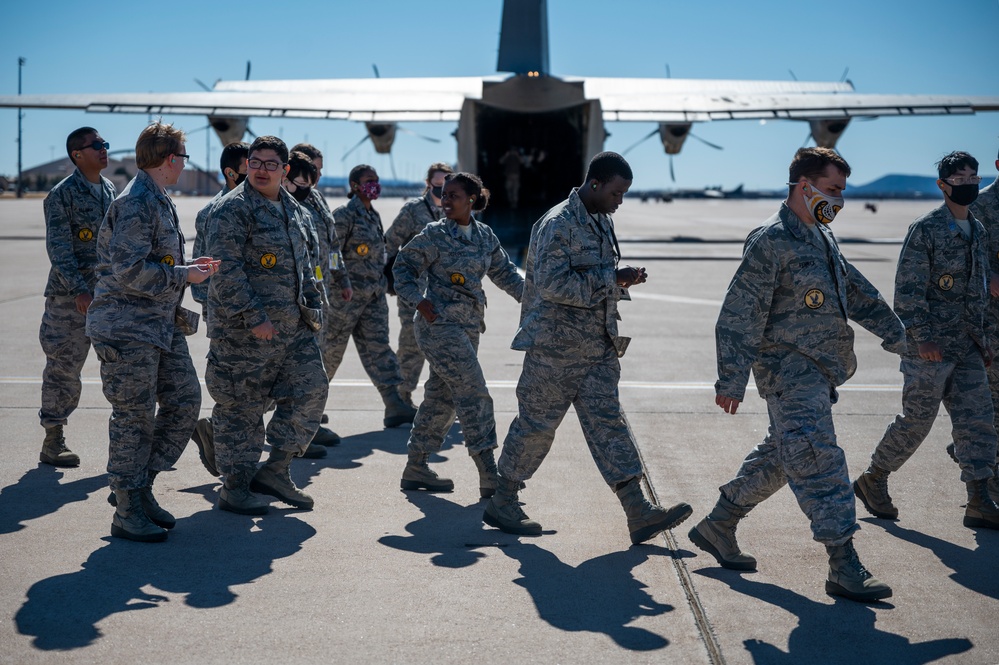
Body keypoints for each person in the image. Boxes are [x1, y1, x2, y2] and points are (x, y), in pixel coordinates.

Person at [691, 147, 904, 603]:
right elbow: (738, 314)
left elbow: (853, 288)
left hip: (819, 368)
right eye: (832, 189)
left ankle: (719, 524)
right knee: (818, 456)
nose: (840, 200)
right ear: (803, 185)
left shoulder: (821, 236)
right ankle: (843, 561)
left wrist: (896, 333)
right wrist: (731, 379)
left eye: (842, 191)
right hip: (786, 369)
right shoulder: (771, 240)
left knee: (787, 453)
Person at [483, 151, 691, 546]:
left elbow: (596, 281)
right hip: (554, 351)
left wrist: (619, 281)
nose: (620, 201)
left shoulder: (600, 219)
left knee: (609, 425)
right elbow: (552, 285)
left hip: (596, 347)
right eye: (617, 192)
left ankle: (638, 510)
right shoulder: (558, 223)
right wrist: (611, 278)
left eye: (624, 194)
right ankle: (503, 499)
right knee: (536, 429)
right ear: (595, 183)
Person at [854, 151, 999, 530]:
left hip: (966, 345)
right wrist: (921, 337)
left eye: (973, 179)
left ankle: (979, 498)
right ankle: (874, 478)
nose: (967, 185)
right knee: (916, 423)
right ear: (942, 185)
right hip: (930, 349)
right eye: (959, 179)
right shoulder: (927, 229)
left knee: (978, 421)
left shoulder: (978, 231)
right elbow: (908, 291)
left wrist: (983, 342)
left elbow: (980, 291)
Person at [86, 121, 214, 542]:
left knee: (184, 402)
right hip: (126, 330)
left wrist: (187, 271)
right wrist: (185, 275)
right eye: (183, 157)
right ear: (170, 160)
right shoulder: (138, 201)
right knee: (134, 419)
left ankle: (139, 487)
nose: (183, 165)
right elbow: (129, 272)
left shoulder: (157, 197)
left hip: (158, 326)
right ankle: (126, 507)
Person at [206, 136, 329, 515]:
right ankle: (235, 485)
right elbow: (225, 271)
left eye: (270, 164)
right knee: (241, 407)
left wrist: (314, 309)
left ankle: (276, 468)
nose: (261, 170)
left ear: (285, 170)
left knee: (311, 389)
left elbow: (307, 266)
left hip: (294, 328)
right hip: (244, 331)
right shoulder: (232, 209)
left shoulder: (297, 210)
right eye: (255, 162)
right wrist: (254, 316)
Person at [393, 172, 524, 497]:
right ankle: (488, 472)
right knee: (474, 392)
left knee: (442, 396)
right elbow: (402, 267)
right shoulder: (435, 234)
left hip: (468, 328)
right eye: (443, 194)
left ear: (472, 200)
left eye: (453, 195)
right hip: (438, 326)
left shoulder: (483, 236)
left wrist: (534, 299)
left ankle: (416, 465)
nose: (446, 200)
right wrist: (418, 301)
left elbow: (505, 273)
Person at [38, 127, 116, 467]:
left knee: (119, 365)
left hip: (106, 296)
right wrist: (78, 290)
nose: (103, 149)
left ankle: (131, 440)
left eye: (104, 144)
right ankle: (53, 439)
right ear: (77, 154)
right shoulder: (61, 195)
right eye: (96, 145)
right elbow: (59, 248)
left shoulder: (110, 190)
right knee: (63, 369)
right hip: (69, 300)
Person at [328, 165, 416, 428]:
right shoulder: (344, 215)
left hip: (373, 296)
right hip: (346, 298)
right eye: (368, 181)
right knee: (329, 352)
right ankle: (306, 406)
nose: (374, 185)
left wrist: (387, 279)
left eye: (376, 181)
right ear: (354, 185)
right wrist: (341, 281)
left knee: (379, 349)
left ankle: (394, 404)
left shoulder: (372, 215)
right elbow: (331, 253)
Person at [188, 141, 249, 477]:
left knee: (261, 387)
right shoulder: (213, 213)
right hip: (229, 319)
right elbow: (201, 274)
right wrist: (225, 307)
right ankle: (227, 457)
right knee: (236, 390)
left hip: (261, 316)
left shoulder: (262, 205)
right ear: (230, 172)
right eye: (247, 167)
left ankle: (215, 434)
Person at [289, 143, 351, 448]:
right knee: (304, 369)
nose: (319, 174)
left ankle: (307, 424)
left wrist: (342, 277)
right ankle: (300, 430)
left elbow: (332, 244)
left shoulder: (316, 198)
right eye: (314, 167)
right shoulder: (290, 199)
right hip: (298, 297)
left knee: (316, 364)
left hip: (318, 292)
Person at [385, 161, 455, 409]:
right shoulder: (413, 210)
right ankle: (401, 396)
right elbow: (389, 243)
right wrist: (391, 278)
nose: (442, 190)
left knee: (449, 348)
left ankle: (444, 402)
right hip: (415, 292)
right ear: (428, 184)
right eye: (437, 185)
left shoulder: (454, 210)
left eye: (446, 185)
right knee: (411, 346)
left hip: (448, 293)